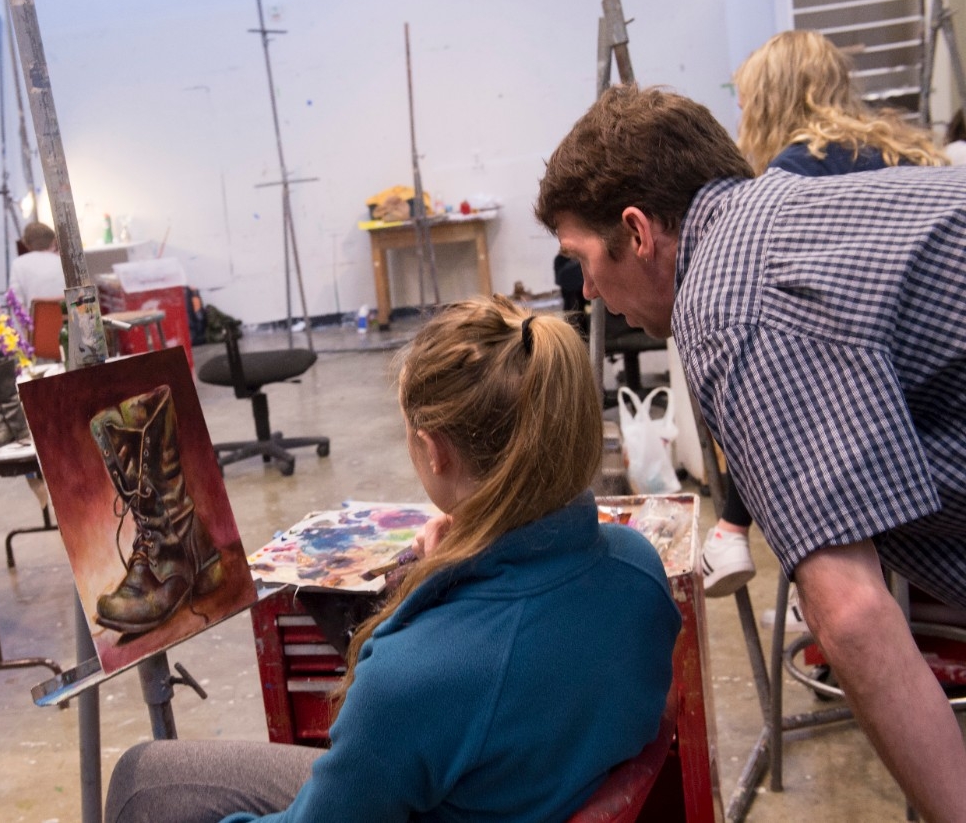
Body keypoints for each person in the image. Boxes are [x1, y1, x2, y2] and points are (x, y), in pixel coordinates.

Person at [536, 83, 966, 821]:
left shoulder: (727, 306)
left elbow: (854, 616)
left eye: (580, 261)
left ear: (637, 232)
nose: (593, 294)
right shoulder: (786, 212)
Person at [104, 295, 682, 823]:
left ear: (434, 452)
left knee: (140, 790)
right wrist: (447, 574)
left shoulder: (418, 676)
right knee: (149, 776)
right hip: (522, 783)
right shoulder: (636, 566)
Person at [702, 29, 943, 598]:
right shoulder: (906, 151)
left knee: (758, 368)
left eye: (743, 102)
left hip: (877, 420)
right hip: (935, 395)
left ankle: (741, 534)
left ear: (768, 100)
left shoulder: (794, 176)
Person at [8, 221, 65, 310]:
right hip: (69, 320)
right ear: (53, 241)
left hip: (38, 322)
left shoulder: (18, 264)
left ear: (26, 244)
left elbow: (16, 303)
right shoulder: (63, 261)